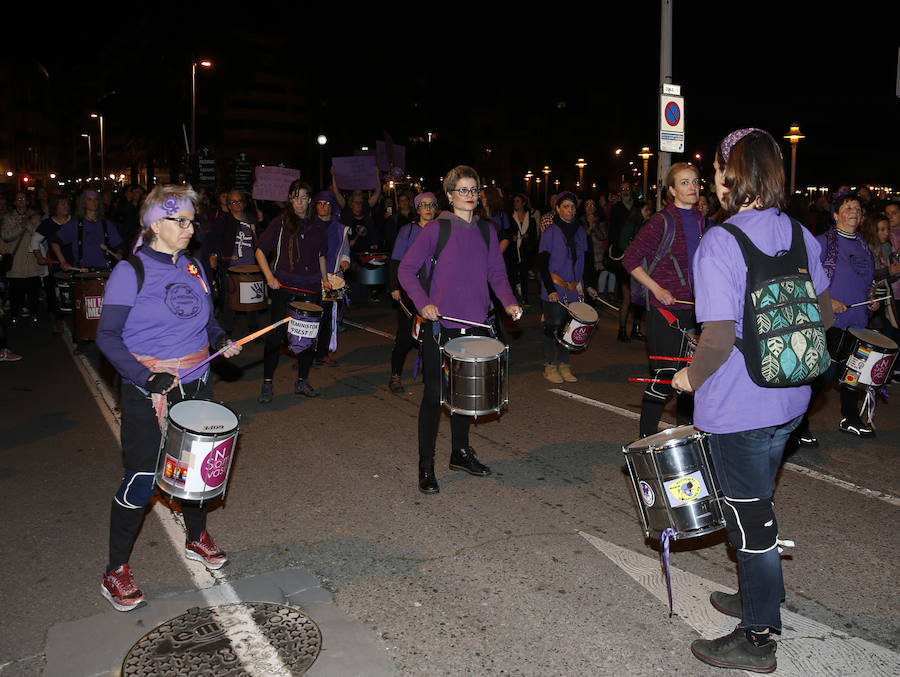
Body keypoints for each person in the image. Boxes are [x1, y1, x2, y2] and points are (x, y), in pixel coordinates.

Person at [672, 128, 834, 673]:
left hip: (739, 409)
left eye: (718, 169)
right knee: (757, 507)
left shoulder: (720, 241)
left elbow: (716, 339)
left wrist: (690, 380)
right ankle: (759, 596)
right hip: (790, 404)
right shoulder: (800, 234)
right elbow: (825, 310)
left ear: (732, 174)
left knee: (750, 521)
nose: (714, 179)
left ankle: (758, 637)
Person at [96, 185, 242, 611]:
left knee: (196, 471)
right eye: (181, 221)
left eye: (192, 221)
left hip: (197, 381)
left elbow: (208, 322)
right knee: (142, 477)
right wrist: (146, 376)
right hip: (150, 389)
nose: (189, 228)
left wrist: (222, 339)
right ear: (155, 225)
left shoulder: (194, 266)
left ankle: (197, 538)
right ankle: (115, 571)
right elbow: (107, 336)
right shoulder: (131, 271)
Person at [398, 166, 521, 494]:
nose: (469, 195)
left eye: (473, 189)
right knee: (434, 396)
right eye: (462, 190)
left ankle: (460, 452)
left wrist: (509, 303)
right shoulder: (436, 229)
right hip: (441, 328)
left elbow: (497, 273)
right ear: (450, 195)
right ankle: (426, 465)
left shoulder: (486, 230)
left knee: (465, 395)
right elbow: (406, 270)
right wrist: (423, 303)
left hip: (478, 324)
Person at [624, 163, 709, 438]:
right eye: (684, 183)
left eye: (695, 182)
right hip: (665, 312)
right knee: (663, 378)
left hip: (695, 311)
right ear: (671, 190)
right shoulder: (661, 221)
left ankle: (686, 439)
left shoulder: (701, 220)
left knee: (690, 380)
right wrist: (657, 289)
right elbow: (630, 260)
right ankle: (644, 442)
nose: (692, 187)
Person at [255, 180, 330, 403]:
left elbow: (321, 256)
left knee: (308, 338)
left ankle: (302, 381)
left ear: (310, 200)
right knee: (276, 336)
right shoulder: (280, 223)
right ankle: (267, 382)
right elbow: (260, 251)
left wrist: (325, 280)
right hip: (284, 288)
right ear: (290, 199)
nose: (300, 202)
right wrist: (270, 277)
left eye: (304, 197)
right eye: (296, 197)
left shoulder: (317, 226)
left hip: (311, 288)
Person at [388, 192, 438, 393]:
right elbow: (395, 260)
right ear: (417, 209)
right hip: (411, 291)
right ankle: (395, 375)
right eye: (423, 205)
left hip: (435, 291)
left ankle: (431, 377)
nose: (427, 208)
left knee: (432, 337)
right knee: (405, 337)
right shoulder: (407, 231)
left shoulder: (442, 231)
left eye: (431, 205)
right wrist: (394, 287)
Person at [539, 191, 589, 383]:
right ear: (558, 209)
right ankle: (550, 365)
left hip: (574, 289)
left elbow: (587, 259)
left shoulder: (580, 231)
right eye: (566, 206)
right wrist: (550, 289)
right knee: (553, 328)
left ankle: (564, 364)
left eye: (573, 206)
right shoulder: (550, 232)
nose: (570, 210)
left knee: (568, 329)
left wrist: (589, 285)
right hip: (555, 288)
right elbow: (543, 263)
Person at [209, 190, 261, 334]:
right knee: (229, 301)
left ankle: (254, 329)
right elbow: (215, 240)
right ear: (229, 205)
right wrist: (214, 256)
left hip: (252, 267)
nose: (237, 204)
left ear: (243, 203)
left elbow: (262, 241)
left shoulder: (252, 220)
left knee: (253, 300)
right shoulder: (224, 222)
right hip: (231, 268)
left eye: (239, 201)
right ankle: (227, 331)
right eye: (233, 202)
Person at [312, 190, 351, 368]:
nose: (323, 207)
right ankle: (305, 354)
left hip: (333, 278)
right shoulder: (308, 226)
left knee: (327, 316)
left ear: (332, 206)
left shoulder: (340, 229)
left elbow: (345, 251)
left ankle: (322, 353)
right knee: (309, 316)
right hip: (311, 278)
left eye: (327, 203)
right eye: (320, 203)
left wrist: (345, 261)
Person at [50, 190, 124, 271]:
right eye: (89, 199)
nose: (93, 202)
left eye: (96, 199)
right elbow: (55, 241)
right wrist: (63, 262)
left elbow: (119, 245)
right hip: (82, 271)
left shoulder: (106, 224)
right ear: (84, 203)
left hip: (104, 270)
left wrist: (119, 253)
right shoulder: (75, 224)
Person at [1, 193, 43, 323]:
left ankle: (34, 312)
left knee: (33, 290)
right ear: (14, 202)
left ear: (27, 202)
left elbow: (39, 233)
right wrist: (20, 226)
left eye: (23, 198)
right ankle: (14, 313)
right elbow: (6, 235)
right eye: (18, 199)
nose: (21, 201)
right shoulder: (8, 217)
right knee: (15, 290)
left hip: (32, 260)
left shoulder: (35, 216)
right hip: (16, 260)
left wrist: (27, 224)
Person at [509, 193, 540, 303]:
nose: (515, 203)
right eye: (514, 201)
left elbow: (535, 234)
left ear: (523, 203)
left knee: (524, 274)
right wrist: (511, 237)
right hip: (513, 250)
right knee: (512, 274)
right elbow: (507, 232)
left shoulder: (530, 218)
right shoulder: (511, 217)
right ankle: (512, 298)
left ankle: (525, 297)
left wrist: (528, 236)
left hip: (525, 249)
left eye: (518, 201)